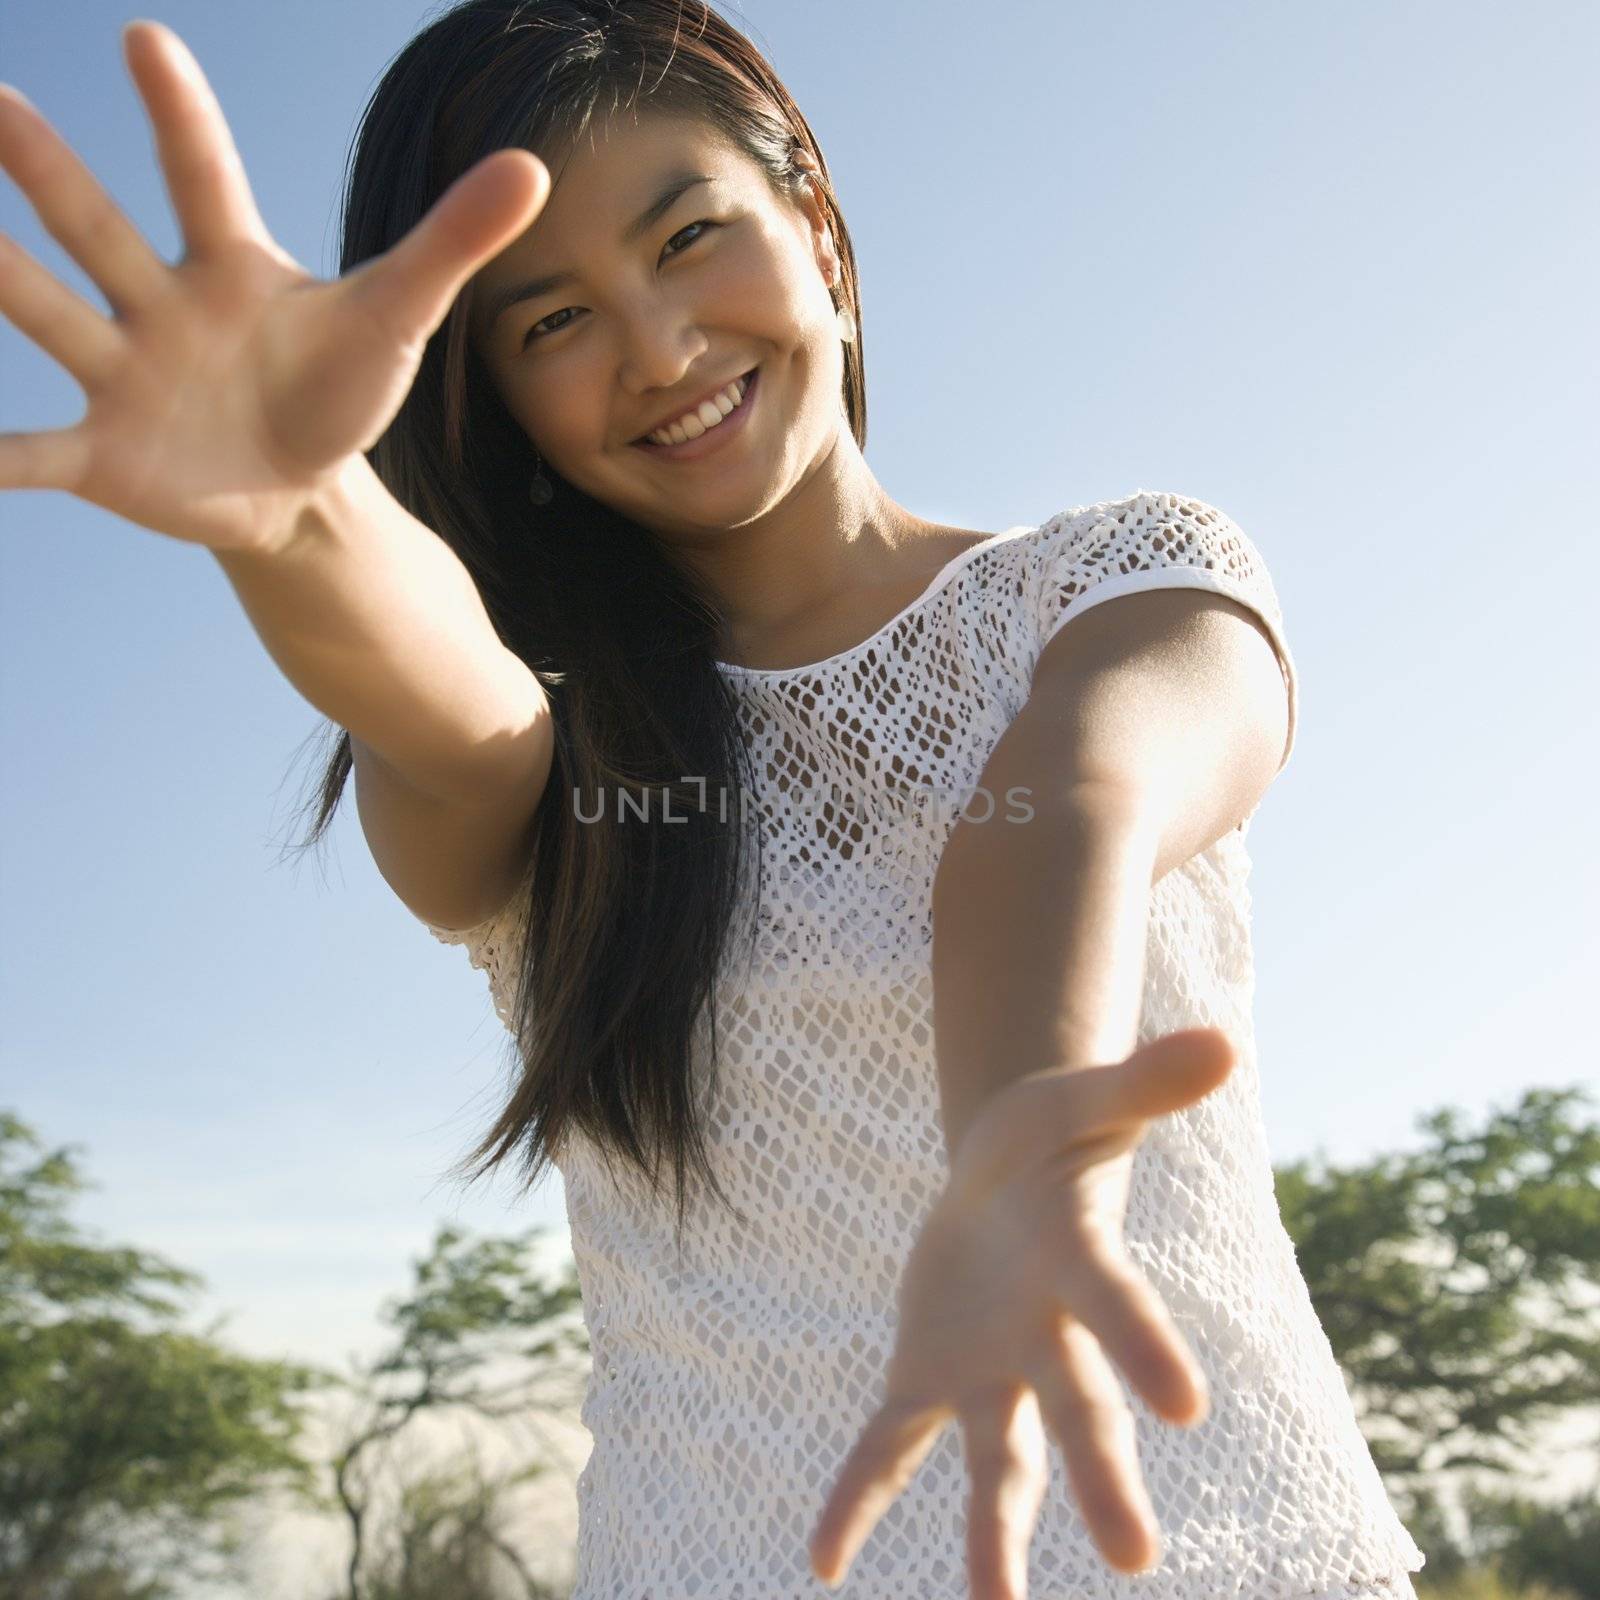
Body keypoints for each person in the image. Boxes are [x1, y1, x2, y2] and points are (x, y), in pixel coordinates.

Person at [0, 4, 1428, 1597]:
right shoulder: (567, 762)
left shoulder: (1123, 585)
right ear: (494, 403)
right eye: (550, 324)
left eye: (690, 236)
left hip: (1218, 1548)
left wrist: (1015, 1147)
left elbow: (1064, 802)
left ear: (808, 209)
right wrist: (291, 515)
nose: (658, 348)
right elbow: (445, 708)